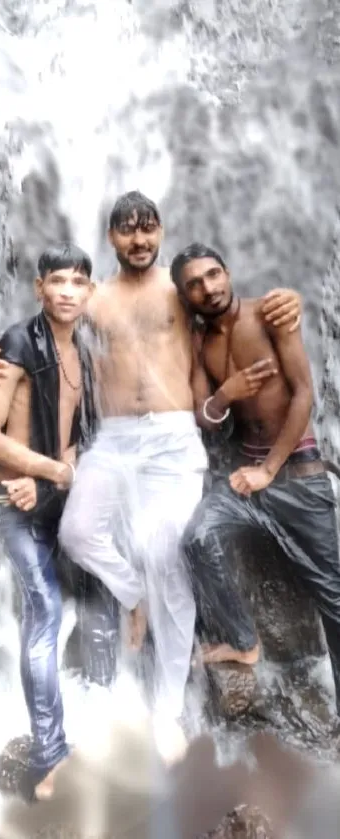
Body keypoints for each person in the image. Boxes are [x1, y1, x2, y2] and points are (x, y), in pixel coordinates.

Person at [0, 192, 301, 730]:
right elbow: (39, 330)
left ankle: (168, 712)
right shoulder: (93, 298)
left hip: (174, 440)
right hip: (116, 439)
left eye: (148, 229)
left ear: (162, 231)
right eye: (128, 231)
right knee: (79, 533)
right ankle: (132, 595)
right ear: (111, 239)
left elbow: (231, 303)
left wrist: (284, 299)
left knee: (169, 560)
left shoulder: (182, 292)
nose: (139, 239)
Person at [0, 244, 118, 800]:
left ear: (90, 292)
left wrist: (60, 474)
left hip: (56, 494)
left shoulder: (84, 347)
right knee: (44, 611)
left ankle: (103, 719)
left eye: (77, 282)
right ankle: (50, 753)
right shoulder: (15, 342)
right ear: (39, 288)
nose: (66, 291)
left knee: (106, 587)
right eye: (56, 280)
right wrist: (49, 470)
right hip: (12, 501)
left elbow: (82, 438)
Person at [171, 242, 340, 715]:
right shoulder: (202, 342)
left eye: (212, 275)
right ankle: (244, 642)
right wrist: (228, 392)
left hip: (296, 473)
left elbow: (305, 393)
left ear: (227, 272)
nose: (207, 287)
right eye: (195, 284)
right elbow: (205, 415)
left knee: (333, 594)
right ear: (187, 296)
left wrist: (269, 470)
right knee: (197, 539)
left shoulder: (269, 313)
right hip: (247, 479)